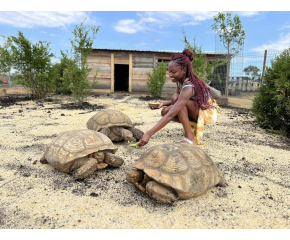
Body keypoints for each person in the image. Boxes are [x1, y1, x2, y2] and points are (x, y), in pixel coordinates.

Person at [138, 49, 221, 147]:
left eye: (173, 72)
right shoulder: (179, 81)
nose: (170, 75)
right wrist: (163, 104)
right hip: (196, 109)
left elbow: (173, 112)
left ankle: (190, 138)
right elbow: (177, 101)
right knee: (167, 108)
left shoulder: (189, 85)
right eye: (169, 72)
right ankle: (190, 125)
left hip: (208, 112)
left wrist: (148, 134)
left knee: (178, 107)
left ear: (184, 71)